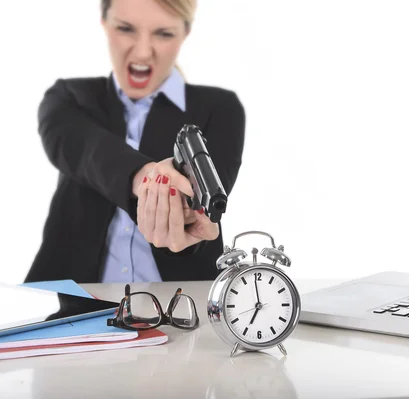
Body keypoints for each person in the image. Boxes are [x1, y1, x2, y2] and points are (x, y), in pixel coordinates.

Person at [25, 0, 245, 283]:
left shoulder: (220, 107)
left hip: (185, 303)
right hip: (68, 304)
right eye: (126, 28)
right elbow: (84, 149)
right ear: (104, 23)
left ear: (186, 32)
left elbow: (209, 201)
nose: (143, 51)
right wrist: (148, 178)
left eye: (163, 33)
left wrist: (190, 220)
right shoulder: (69, 97)